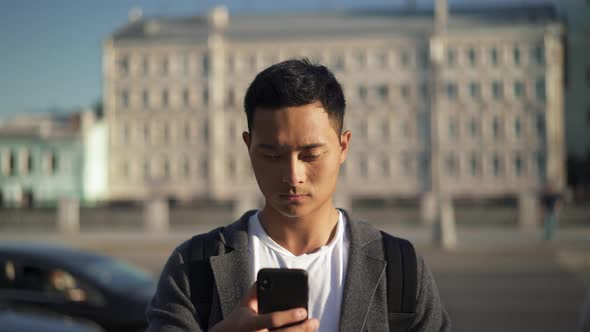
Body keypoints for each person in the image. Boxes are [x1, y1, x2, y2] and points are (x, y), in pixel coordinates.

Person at [146, 59, 450, 331]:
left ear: (343, 147)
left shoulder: (402, 269)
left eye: (311, 155)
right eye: (271, 155)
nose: (292, 176)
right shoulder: (191, 268)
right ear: (248, 147)